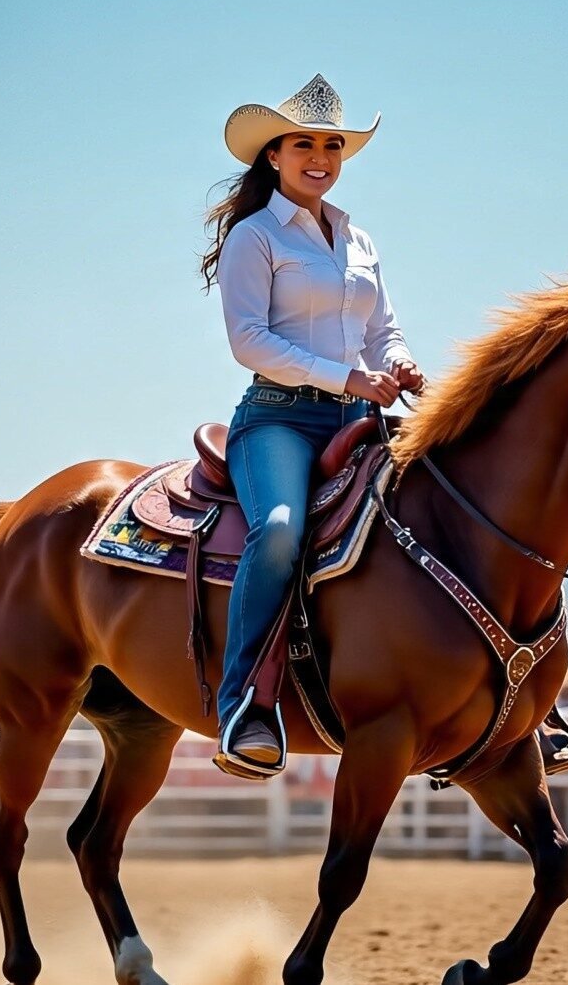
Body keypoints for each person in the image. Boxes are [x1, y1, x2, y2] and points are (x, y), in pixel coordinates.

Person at [203, 74, 422, 776]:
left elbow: (382, 330)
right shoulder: (254, 236)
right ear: (273, 155)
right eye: (304, 145)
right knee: (278, 531)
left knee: (454, 504)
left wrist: (399, 362)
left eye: (332, 146)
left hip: (361, 417)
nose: (320, 157)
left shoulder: (359, 238)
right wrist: (347, 377)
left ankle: (511, 693)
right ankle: (244, 705)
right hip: (279, 419)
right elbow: (250, 341)